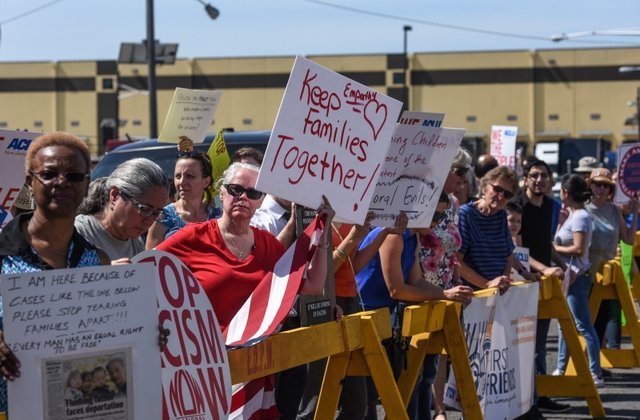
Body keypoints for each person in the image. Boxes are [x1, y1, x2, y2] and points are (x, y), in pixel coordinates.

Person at [157, 162, 334, 419]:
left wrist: (323, 232)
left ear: (260, 201)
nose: (243, 198)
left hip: (254, 370)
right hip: (204, 369)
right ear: (221, 193)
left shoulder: (267, 244)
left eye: (252, 193)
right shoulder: (192, 237)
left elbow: (314, 285)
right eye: (236, 189)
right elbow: (147, 270)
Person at [0, 132, 109, 413]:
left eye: (74, 176)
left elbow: (113, 332)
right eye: (49, 174)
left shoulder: (97, 260)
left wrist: (145, 336)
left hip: (80, 409)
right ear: (29, 182)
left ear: (86, 185)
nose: (61, 182)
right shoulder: (2, 256)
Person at [356, 213, 473, 419]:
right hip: (363, 314)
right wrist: (444, 294)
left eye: (440, 216)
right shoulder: (394, 235)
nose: (438, 222)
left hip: (381, 316)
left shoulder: (413, 236)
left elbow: (416, 281)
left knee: (405, 382)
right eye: (434, 215)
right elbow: (397, 289)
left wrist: (448, 294)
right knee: (365, 396)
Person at [416, 147, 471, 420]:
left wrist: (459, 280)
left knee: (441, 354)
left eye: (465, 172)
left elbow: (453, 252)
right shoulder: (424, 202)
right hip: (425, 286)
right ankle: (436, 410)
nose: (464, 177)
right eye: (459, 171)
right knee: (423, 359)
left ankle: (439, 408)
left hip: (449, 285)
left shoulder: (455, 205)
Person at [552, 174, 603, 387]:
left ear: (566, 193)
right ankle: (561, 367)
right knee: (567, 325)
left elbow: (579, 248)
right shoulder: (574, 215)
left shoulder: (581, 216)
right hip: (571, 277)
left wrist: (553, 248)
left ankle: (595, 372)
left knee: (582, 325)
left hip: (577, 276)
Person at [76, 158, 170, 261]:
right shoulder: (81, 232)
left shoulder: (135, 242)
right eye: (144, 209)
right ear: (115, 196)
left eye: (157, 213)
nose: (149, 221)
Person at [586, 168, 638, 350]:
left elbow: (629, 239)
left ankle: (598, 364)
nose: (601, 189)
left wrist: (636, 213)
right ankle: (580, 364)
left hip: (606, 277)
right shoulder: (582, 209)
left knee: (601, 322)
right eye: (597, 184)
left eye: (606, 186)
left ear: (611, 190)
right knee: (584, 323)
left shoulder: (615, 211)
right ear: (590, 185)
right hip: (585, 275)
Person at [457, 166, 518, 293]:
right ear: (484, 187)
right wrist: (488, 285)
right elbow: (457, 262)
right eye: (497, 189)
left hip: (497, 292)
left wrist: (504, 281)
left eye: (507, 194)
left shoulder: (501, 215)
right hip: (475, 294)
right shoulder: (466, 214)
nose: (501, 197)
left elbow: (509, 254)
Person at [146, 147, 220, 249]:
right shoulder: (162, 218)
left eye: (190, 176)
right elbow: (150, 261)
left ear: (206, 182)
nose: (181, 182)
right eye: (177, 176)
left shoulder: (218, 217)